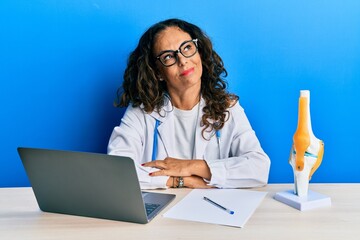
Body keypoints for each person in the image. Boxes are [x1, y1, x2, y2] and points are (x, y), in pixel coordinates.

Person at [108, 18, 270, 189]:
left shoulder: (227, 107)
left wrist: (190, 166)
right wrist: (180, 181)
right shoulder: (142, 112)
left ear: (199, 52)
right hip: (164, 210)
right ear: (158, 73)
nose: (183, 60)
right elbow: (117, 170)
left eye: (187, 48)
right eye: (169, 56)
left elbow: (259, 167)